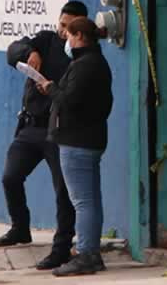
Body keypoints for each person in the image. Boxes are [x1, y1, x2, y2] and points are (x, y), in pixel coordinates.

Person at [0, 1, 88, 271]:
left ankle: (61, 247)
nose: (63, 32)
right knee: (10, 176)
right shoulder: (46, 41)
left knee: (63, 191)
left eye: (69, 28)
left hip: (58, 130)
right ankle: (20, 227)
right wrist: (31, 52)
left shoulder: (80, 56)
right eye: (61, 25)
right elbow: (13, 50)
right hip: (31, 127)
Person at [37, 18, 113, 277]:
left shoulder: (85, 65)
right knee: (90, 200)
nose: (66, 41)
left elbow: (70, 100)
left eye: (69, 35)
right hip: (89, 140)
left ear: (80, 36)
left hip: (77, 141)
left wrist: (50, 89)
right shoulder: (95, 62)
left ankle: (86, 253)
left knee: (82, 202)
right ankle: (90, 252)